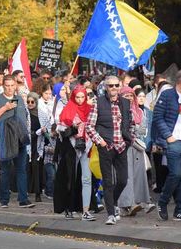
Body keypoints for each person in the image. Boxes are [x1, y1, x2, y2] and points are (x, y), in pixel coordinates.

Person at [86, 76, 133, 225]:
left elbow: (129, 123)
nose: (114, 88)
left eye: (116, 85)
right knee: (107, 181)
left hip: (121, 146)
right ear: (106, 87)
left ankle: (112, 202)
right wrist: (100, 141)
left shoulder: (125, 103)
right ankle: (111, 214)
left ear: (120, 86)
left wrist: (129, 139)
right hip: (106, 146)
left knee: (123, 180)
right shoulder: (98, 103)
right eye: (110, 86)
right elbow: (89, 126)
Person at [152, 69, 181, 222]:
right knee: (175, 174)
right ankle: (162, 202)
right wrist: (168, 136)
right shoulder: (167, 95)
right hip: (175, 142)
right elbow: (157, 117)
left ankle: (179, 211)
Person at [0, 74, 35, 208]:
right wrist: (5, 108)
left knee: (21, 169)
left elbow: (25, 118)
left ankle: (23, 199)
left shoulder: (20, 99)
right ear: (3, 86)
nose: (9, 89)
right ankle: (4, 200)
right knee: (5, 170)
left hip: (19, 139)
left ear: (15, 86)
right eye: (7, 86)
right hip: (4, 139)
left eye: (12, 86)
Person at [54, 85, 91, 219]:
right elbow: (61, 130)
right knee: (70, 178)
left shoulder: (89, 109)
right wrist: (73, 127)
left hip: (87, 146)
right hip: (70, 148)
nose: (80, 100)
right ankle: (68, 207)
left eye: (82, 97)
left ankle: (86, 209)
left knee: (86, 178)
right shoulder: (67, 110)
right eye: (77, 97)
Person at [117, 86, 153, 217]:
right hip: (123, 145)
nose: (129, 98)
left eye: (131, 96)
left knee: (139, 175)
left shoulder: (139, 111)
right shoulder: (117, 110)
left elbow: (143, 130)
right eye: (126, 96)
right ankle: (127, 204)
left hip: (136, 145)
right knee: (127, 175)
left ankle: (141, 201)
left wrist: (136, 128)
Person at [26, 92, 45, 202]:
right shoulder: (25, 113)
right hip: (27, 142)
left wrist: (43, 130)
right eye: (28, 102)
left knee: (37, 167)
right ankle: (27, 191)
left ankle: (38, 193)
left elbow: (46, 125)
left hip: (38, 143)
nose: (30, 104)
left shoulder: (41, 114)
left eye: (32, 102)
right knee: (26, 167)